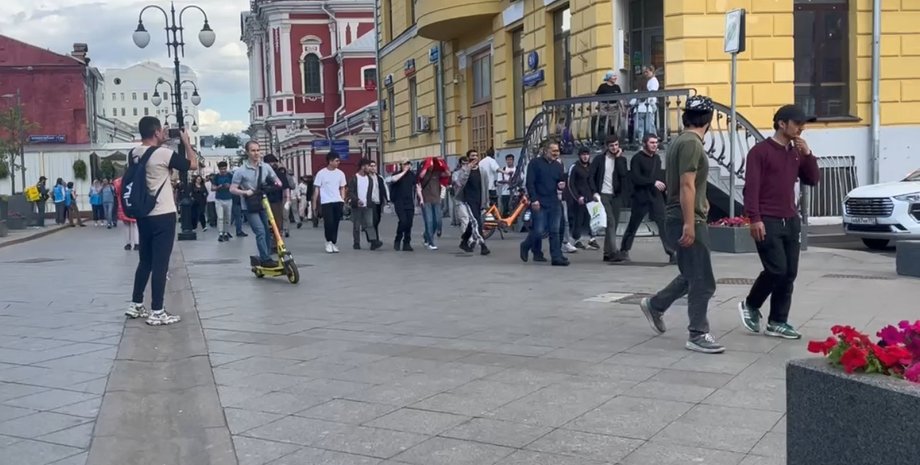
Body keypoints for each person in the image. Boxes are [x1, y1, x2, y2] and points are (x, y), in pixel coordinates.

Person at [638, 95, 722, 354]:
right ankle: (697, 333)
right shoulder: (692, 144)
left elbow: (689, 184)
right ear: (708, 120)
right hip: (686, 217)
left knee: (690, 274)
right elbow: (686, 185)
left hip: (680, 215)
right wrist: (690, 223)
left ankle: (655, 305)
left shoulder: (679, 141)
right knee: (703, 280)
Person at [738, 104, 821, 340]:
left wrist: (808, 155)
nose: (801, 129)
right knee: (776, 269)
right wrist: (754, 218)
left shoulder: (796, 152)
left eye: (803, 124)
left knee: (789, 273)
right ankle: (751, 305)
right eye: (797, 124)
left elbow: (812, 179)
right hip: (768, 219)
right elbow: (751, 188)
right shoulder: (760, 152)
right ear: (782, 124)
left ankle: (778, 321)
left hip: (790, 219)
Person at [125, 116, 198, 326]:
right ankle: (157, 310)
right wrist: (186, 142)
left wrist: (161, 141)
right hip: (163, 214)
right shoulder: (164, 154)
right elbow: (192, 165)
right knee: (160, 264)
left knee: (145, 261)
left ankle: (136, 303)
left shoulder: (134, 154)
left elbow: (151, 155)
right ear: (157, 132)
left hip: (143, 214)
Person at [620, 134, 676, 263]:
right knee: (633, 224)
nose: (655, 145)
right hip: (641, 197)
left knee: (663, 224)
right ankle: (624, 250)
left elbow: (659, 176)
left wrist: (664, 187)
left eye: (656, 142)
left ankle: (671, 252)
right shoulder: (637, 158)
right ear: (645, 143)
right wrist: (652, 182)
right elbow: (635, 178)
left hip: (655, 196)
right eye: (652, 142)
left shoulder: (657, 158)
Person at [230, 141, 281, 267]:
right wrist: (245, 192)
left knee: (267, 230)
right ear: (247, 152)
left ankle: (267, 256)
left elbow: (278, 181)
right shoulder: (241, 171)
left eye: (258, 150)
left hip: (263, 202)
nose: (256, 153)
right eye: (253, 150)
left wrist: (273, 185)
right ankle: (265, 259)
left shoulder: (266, 167)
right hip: (249, 205)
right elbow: (232, 189)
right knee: (260, 231)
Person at [520, 141, 567, 266]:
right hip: (539, 201)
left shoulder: (558, 165)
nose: (556, 153)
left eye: (557, 151)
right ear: (545, 151)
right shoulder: (535, 163)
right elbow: (530, 183)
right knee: (539, 230)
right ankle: (525, 245)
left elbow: (560, 181)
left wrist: (561, 185)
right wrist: (533, 199)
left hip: (554, 202)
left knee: (555, 230)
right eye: (553, 151)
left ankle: (556, 257)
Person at [588, 136, 628, 262]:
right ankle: (614, 252)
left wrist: (619, 159)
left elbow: (623, 174)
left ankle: (607, 253)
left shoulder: (621, 159)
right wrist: (594, 192)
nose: (614, 148)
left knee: (613, 224)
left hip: (616, 195)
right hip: (602, 194)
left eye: (616, 145)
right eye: (611, 145)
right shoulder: (599, 159)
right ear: (606, 146)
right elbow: (591, 176)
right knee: (610, 222)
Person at [453, 150, 491, 256]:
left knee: (473, 223)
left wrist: (486, 202)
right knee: (476, 222)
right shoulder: (464, 170)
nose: (475, 157)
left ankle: (464, 242)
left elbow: (485, 187)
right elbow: (460, 182)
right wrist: (468, 168)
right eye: (472, 156)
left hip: (479, 200)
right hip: (468, 200)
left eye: (476, 155)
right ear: (468, 158)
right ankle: (483, 245)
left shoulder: (482, 171)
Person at [313, 151, 347, 253]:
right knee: (329, 223)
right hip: (326, 202)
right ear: (330, 161)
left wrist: (343, 200)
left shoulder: (340, 173)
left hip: (338, 201)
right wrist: (314, 203)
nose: (338, 162)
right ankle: (328, 241)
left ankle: (334, 242)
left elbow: (342, 187)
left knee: (336, 223)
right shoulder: (321, 173)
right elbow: (317, 189)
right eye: (336, 161)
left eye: (338, 160)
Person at [347, 158, 384, 250]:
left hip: (368, 205)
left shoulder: (369, 179)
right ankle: (356, 243)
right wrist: (356, 200)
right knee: (356, 225)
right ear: (363, 167)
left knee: (369, 224)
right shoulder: (354, 178)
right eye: (368, 166)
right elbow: (350, 192)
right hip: (357, 205)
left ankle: (373, 242)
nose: (369, 168)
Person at [568, 147, 599, 250]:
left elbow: (593, 181)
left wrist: (595, 193)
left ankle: (592, 239)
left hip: (591, 198)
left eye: (587, 154)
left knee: (592, 219)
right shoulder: (575, 167)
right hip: (579, 200)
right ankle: (577, 240)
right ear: (579, 156)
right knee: (579, 220)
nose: (585, 157)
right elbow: (570, 184)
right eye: (583, 154)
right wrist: (577, 197)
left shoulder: (591, 167)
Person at [417, 156, 450, 250]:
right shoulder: (424, 173)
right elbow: (421, 176)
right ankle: (431, 242)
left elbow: (448, 173)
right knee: (429, 221)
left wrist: (441, 163)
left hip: (436, 200)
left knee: (438, 221)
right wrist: (427, 165)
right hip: (426, 200)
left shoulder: (437, 173)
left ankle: (426, 235)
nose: (432, 165)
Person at [388, 161, 418, 251]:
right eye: (405, 164)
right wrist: (404, 172)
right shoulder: (396, 174)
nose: (407, 166)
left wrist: (420, 199)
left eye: (408, 164)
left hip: (409, 202)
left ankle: (407, 243)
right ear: (401, 165)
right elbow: (394, 180)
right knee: (403, 221)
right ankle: (397, 240)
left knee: (409, 223)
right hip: (399, 202)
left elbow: (416, 186)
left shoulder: (412, 175)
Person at [263, 154, 291, 239]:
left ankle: (276, 242)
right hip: (264, 200)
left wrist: (287, 200)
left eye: (274, 162)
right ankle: (270, 242)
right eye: (271, 162)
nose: (273, 164)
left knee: (277, 222)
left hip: (276, 201)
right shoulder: (262, 174)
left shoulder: (279, 174)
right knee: (268, 223)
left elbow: (285, 187)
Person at [113, 176, 139, 251]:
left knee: (126, 225)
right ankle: (137, 243)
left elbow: (116, 192)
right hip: (133, 204)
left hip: (123, 205)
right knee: (135, 225)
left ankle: (128, 244)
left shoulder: (118, 181)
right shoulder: (135, 179)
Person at [212, 161, 234, 242]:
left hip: (229, 198)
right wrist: (219, 187)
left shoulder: (230, 176)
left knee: (228, 217)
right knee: (220, 217)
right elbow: (212, 188)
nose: (223, 171)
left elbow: (235, 186)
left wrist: (230, 186)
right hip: (219, 199)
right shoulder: (216, 177)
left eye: (224, 169)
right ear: (219, 169)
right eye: (221, 169)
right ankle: (221, 233)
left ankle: (226, 232)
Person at [368, 160, 388, 235]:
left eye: (374, 166)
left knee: (377, 220)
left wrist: (387, 200)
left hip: (378, 202)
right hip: (370, 202)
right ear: (368, 167)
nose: (373, 168)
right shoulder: (366, 178)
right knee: (373, 220)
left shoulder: (380, 178)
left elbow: (384, 188)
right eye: (371, 166)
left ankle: (374, 238)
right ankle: (374, 240)